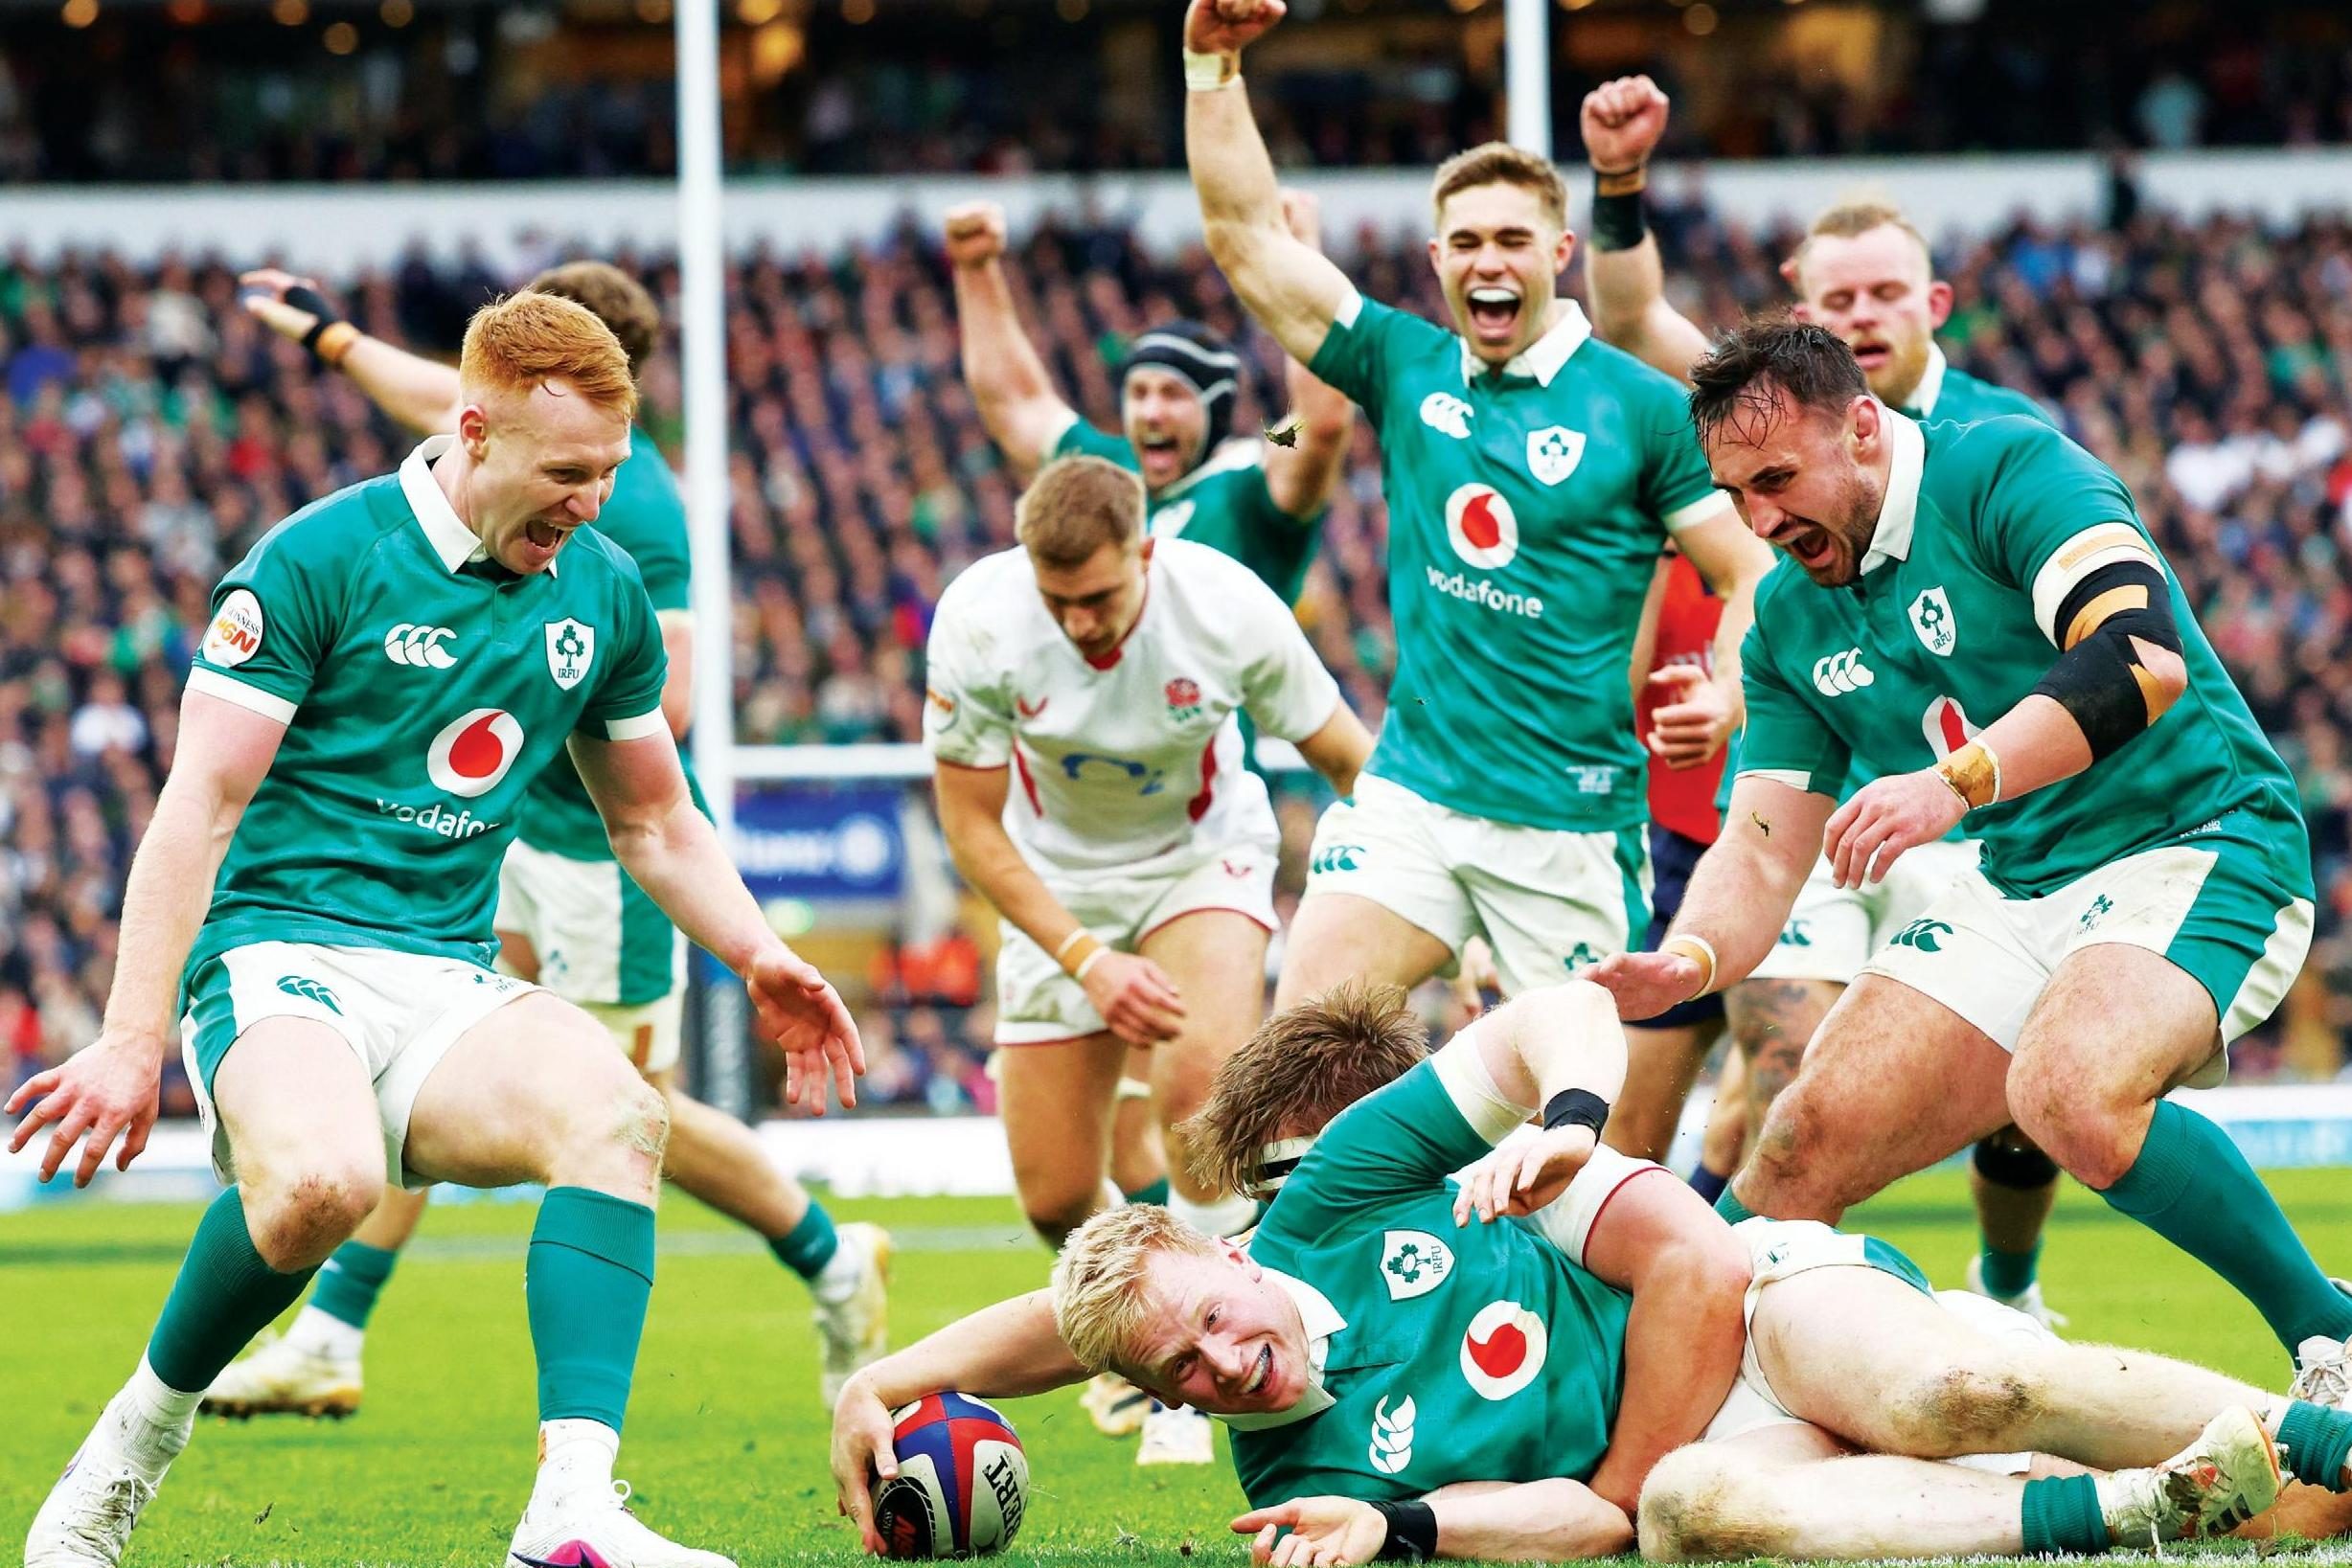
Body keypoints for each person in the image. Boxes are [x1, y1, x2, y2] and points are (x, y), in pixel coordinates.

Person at [10, 292, 863, 1568]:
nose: (591, 503)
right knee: (321, 1186)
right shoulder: (317, 559)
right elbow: (200, 806)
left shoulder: (603, 593)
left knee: (619, 1115)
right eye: (566, 473)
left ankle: (570, 1508)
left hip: (449, 978)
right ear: (472, 431)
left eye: (611, 475)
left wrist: (761, 955)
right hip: (277, 956)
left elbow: (656, 825)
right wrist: (133, 1039)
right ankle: (125, 1455)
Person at [832, 979, 2352, 1562]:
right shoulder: (1286, 1456)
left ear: (1222, 1246)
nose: (1221, 1369)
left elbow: (1566, 1041)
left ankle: (2315, 1419)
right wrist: (887, 1379)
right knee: (1696, 1513)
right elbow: (1093, 1321)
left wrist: (1567, 1118)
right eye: (1185, 1378)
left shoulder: (1340, 1191)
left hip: (1760, 1306)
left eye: (1213, 1326)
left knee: (1959, 1384)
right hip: (1705, 1448)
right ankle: (2153, 1509)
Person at [1589, 316, 2352, 1398]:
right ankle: (1690, 1408)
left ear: (1860, 426)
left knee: (2068, 1092)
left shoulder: (2004, 463)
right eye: (1735, 494)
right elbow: (1761, 845)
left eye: (1776, 478)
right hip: (2020, 880)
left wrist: (1953, 782)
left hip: (2199, 837)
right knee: (1796, 1147)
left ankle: (2333, 1331)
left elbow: (2140, 656)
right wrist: (1694, 957)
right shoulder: (1783, 618)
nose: (1760, 520)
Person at [200, 262, 888, 1420]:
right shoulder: (518, 450)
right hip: (513, 837)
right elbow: (431, 394)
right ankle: (329, 1329)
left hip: (599, 865)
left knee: (618, 1112)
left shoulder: (632, 507)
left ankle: (827, 1253)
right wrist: (330, 336)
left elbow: (660, 700)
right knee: (448, 1064)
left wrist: (512, 676)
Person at [1580, 75, 2069, 1322]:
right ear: (1807, 313)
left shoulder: (2000, 446)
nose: (1859, 313)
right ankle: (1770, 1321)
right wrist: (1620, 180)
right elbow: (1628, 309)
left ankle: (1999, 1288)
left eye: (1881, 294)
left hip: (1978, 819)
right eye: (1835, 298)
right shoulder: (1764, 417)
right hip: (1819, 815)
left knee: (2035, 1090)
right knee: (1791, 1076)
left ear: (1930, 303)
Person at [1181, 0, 1776, 1010]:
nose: (1487, 261)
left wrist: (1729, 689)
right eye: (1465, 242)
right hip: (1412, 796)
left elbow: (1748, 569)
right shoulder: (1401, 362)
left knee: (1568, 1129)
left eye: (1511, 239)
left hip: (1569, 825)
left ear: (1556, 252)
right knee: (1298, 1057)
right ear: (1437, 261)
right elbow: (1245, 238)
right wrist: (1210, 68)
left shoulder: (1638, 408)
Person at [922, 453, 1372, 1461]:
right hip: (1056, 886)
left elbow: (1351, 757)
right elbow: (970, 827)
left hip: (1200, 857)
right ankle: (1150, 1348)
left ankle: (1213, 1370)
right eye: (1058, 598)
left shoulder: (1225, 606)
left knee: (1197, 1094)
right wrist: (1084, 957)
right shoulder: (981, 620)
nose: (1079, 621)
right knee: (1051, 1197)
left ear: (1146, 550)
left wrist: (1423, 884)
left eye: (1098, 596)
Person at [943, 193, 1353, 607]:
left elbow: (1318, 422)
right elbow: (1017, 404)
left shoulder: (1251, 479)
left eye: (1173, 395)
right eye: (1138, 394)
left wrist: (1302, 250)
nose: (1151, 412)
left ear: (1216, 408)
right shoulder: (1104, 473)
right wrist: (974, 268)